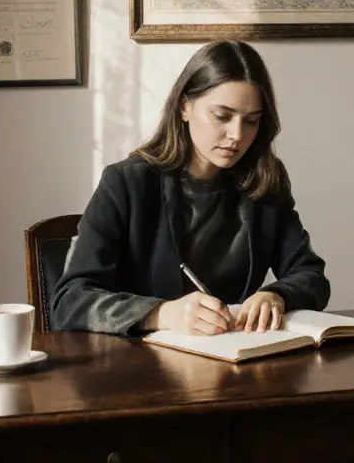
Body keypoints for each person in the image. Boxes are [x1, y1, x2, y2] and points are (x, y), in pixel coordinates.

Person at [49, 40, 331, 337]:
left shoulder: (262, 181)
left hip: (233, 361)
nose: (237, 135)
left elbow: (311, 276)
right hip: (138, 369)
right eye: (222, 116)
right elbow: (70, 302)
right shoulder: (126, 183)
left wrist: (278, 295)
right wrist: (161, 314)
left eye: (251, 121)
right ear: (184, 106)